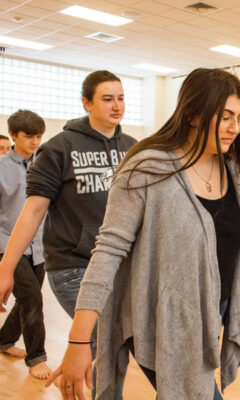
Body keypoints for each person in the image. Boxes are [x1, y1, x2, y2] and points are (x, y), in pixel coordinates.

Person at [45, 68, 240, 400]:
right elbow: (108, 251)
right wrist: (77, 342)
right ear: (192, 113)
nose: (235, 127)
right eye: (226, 117)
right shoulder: (147, 167)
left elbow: (235, 251)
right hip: (162, 319)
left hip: (214, 310)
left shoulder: (231, 170)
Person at [0, 70, 136, 399]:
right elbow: (33, 211)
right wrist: (6, 267)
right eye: (107, 99)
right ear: (87, 103)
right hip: (72, 265)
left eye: (120, 98)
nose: (116, 106)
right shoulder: (59, 148)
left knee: (118, 340)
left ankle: (74, 378)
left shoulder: (132, 148)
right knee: (103, 336)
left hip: (116, 265)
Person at [0, 110, 51, 379]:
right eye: (29, 136)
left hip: (40, 246)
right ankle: (36, 357)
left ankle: (4, 340)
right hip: (8, 246)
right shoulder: (1, 168)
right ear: (13, 135)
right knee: (32, 297)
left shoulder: (44, 164)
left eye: (39, 136)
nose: (34, 142)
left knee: (24, 300)